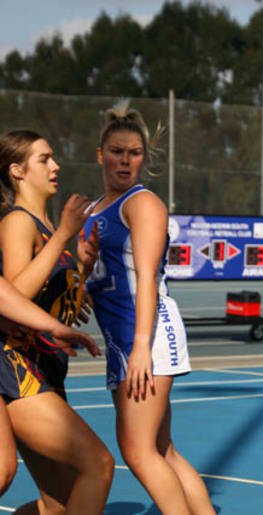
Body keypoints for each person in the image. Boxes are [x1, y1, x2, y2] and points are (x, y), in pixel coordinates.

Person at [84, 101, 215, 515]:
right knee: (162, 450)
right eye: (117, 151)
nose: (125, 161)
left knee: (138, 452)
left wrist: (142, 345)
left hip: (147, 333)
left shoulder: (142, 205)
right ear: (100, 154)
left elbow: (144, 281)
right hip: (122, 339)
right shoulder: (92, 212)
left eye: (134, 153)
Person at [0, 129, 114, 513]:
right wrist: (64, 234)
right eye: (44, 159)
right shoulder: (19, 222)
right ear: (17, 171)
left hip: (48, 368)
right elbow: (15, 293)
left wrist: (82, 265)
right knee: (98, 465)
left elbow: (61, 306)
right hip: (19, 367)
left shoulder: (46, 229)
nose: (56, 165)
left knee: (57, 508)